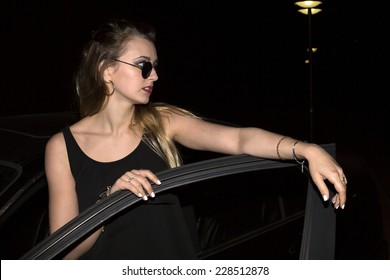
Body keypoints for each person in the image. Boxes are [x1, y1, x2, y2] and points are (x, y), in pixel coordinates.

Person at [44, 18, 347, 260]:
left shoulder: (161, 123)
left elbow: (239, 140)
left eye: (155, 66)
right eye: (143, 65)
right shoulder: (62, 147)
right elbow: (66, 251)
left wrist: (305, 150)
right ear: (107, 71)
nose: (155, 76)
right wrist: (109, 200)